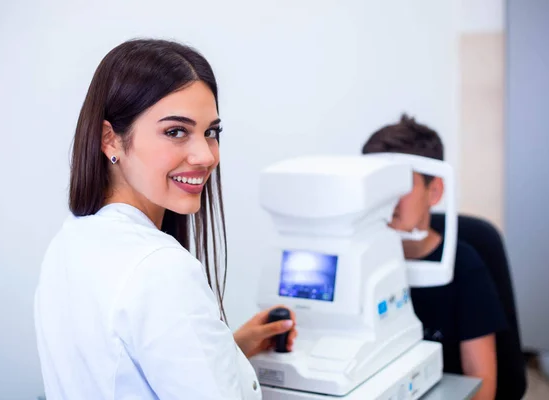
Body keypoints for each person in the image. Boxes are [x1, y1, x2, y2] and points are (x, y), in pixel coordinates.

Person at [34, 38, 297, 400]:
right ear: (110, 140)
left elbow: (122, 369)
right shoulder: (161, 269)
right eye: (176, 131)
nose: (205, 155)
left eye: (211, 132)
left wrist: (228, 348)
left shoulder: (70, 242)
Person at [361, 114, 508, 400]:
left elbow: (483, 386)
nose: (387, 198)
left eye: (400, 184)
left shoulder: (464, 267)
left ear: (435, 191)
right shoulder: (363, 261)